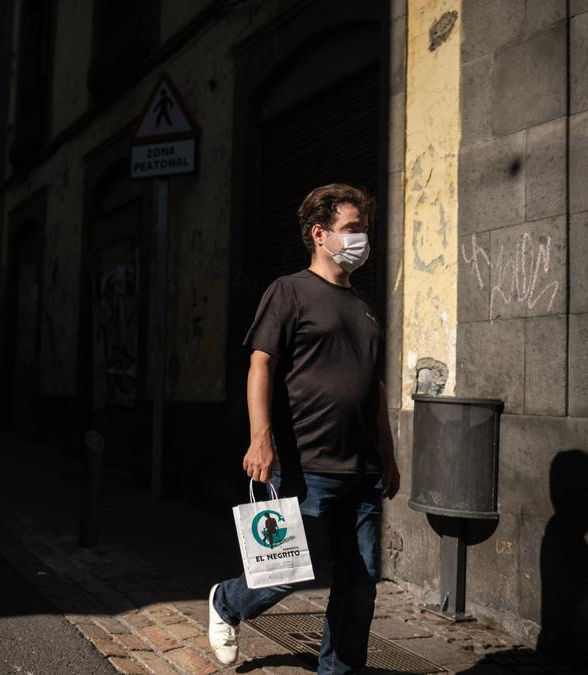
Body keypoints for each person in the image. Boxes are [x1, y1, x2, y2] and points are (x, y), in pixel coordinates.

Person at [207, 184, 399, 674]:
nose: (362, 239)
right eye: (352, 229)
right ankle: (227, 603)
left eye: (364, 230)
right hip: (306, 465)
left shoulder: (366, 306)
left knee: (361, 580)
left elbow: (374, 388)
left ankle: (339, 670)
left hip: (363, 469)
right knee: (286, 572)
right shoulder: (289, 291)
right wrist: (260, 437)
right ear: (320, 234)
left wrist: (389, 455)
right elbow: (260, 365)